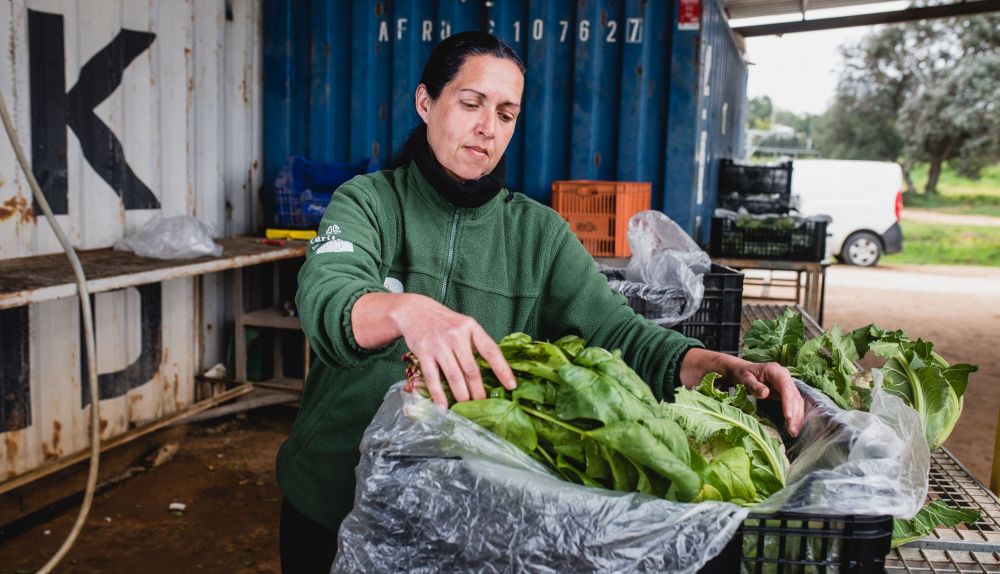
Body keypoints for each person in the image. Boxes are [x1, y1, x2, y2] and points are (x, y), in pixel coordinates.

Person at [275, 31, 804, 573]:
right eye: (471, 103)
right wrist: (407, 310)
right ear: (425, 102)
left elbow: (620, 336)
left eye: (506, 114)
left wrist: (721, 366)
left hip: (466, 515)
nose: (488, 127)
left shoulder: (538, 235)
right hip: (332, 504)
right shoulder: (369, 202)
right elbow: (329, 293)